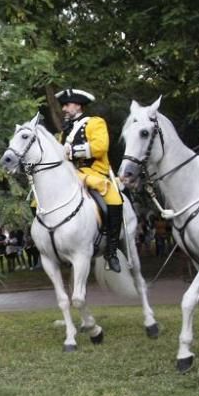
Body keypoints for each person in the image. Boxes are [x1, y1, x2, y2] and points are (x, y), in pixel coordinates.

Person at [56, 88, 124, 272]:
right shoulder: (65, 131)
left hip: (93, 172)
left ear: (78, 105)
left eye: (66, 105)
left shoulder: (95, 122)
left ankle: (111, 252)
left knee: (114, 199)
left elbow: (101, 147)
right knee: (35, 200)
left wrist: (71, 151)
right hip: (69, 175)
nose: (63, 109)